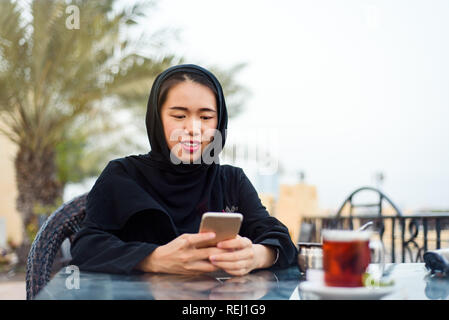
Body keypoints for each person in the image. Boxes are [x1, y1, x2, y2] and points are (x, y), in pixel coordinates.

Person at [70, 64, 298, 276]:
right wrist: (154, 259)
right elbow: (87, 245)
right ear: (156, 118)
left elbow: (280, 240)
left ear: (219, 123)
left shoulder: (230, 180)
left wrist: (256, 256)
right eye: (179, 116)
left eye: (206, 117)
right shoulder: (123, 175)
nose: (193, 128)